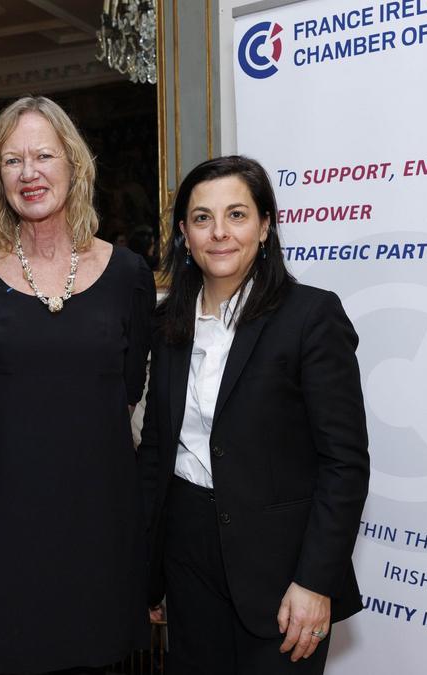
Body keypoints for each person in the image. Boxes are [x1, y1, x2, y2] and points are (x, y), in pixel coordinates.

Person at [0, 96, 155, 674]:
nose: (28, 173)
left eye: (43, 156)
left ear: (74, 165)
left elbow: (124, 399)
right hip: (4, 525)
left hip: (98, 521)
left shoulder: (129, 276)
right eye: (12, 160)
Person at [137, 156, 370, 674]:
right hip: (187, 556)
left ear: (265, 226)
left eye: (237, 215)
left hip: (281, 569)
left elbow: (345, 464)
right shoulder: (168, 323)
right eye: (202, 218)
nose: (219, 232)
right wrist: (148, 573)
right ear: (184, 234)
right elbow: (156, 451)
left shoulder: (311, 316)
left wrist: (315, 581)